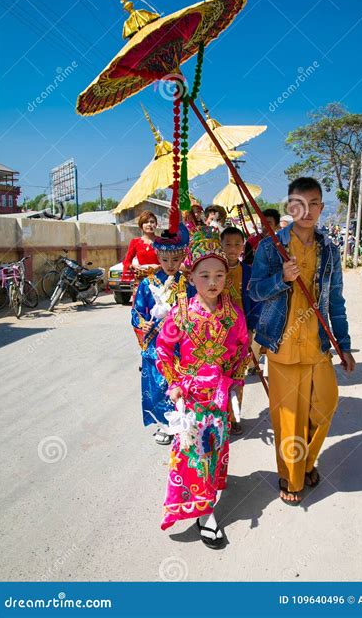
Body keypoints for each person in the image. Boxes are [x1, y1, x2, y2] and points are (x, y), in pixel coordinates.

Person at [249, 177, 355, 505]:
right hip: (282, 347)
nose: (307, 210)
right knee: (288, 416)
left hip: (317, 344)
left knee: (325, 406)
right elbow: (254, 291)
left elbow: (335, 300)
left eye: (314, 204)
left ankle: (308, 461)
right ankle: (291, 478)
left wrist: (345, 344)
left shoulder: (331, 250)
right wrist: (281, 279)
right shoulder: (270, 247)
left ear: (321, 208)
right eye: (300, 204)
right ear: (290, 208)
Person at [156, 226, 249, 547]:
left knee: (213, 450)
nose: (213, 282)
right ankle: (204, 511)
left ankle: (207, 498)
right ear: (191, 276)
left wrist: (236, 381)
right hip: (191, 399)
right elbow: (163, 350)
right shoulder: (180, 314)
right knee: (193, 454)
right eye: (205, 275)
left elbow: (241, 348)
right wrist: (174, 383)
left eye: (220, 275)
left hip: (219, 398)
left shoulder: (233, 314)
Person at [131, 224, 194, 444]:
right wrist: (142, 323)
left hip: (181, 345)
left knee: (180, 384)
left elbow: (196, 310)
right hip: (155, 345)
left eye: (175, 260)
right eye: (165, 260)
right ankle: (166, 425)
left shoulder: (189, 285)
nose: (170, 265)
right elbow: (137, 310)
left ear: (182, 257)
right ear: (158, 255)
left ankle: (184, 422)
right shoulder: (147, 284)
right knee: (159, 386)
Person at [220, 226, 260, 434]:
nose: (232, 249)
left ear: (243, 246)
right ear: (220, 245)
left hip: (241, 332)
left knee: (238, 374)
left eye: (237, 244)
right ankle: (220, 415)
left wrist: (252, 327)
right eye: (228, 244)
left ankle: (235, 417)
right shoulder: (215, 270)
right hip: (217, 333)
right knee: (219, 375)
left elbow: (255, 302)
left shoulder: (249, 273)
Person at [122, 211, 160, 299]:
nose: (149, 224)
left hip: (159, 280)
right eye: (146, 222)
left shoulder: (162, 242)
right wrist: (133, 266)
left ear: (156, 225)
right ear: (141, 225)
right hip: (141, 281)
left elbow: (169, 261)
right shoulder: (135, 242)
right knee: (140, 309)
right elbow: (126, 261)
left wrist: (158, 266)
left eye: (152, 222)